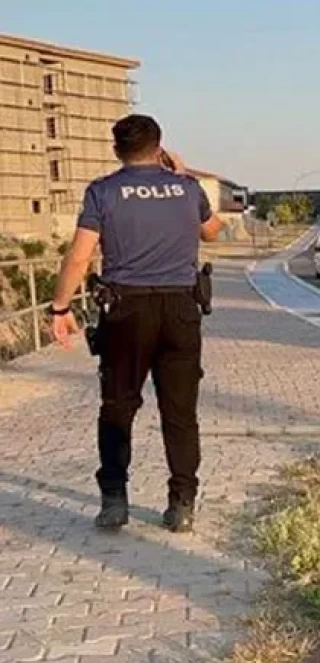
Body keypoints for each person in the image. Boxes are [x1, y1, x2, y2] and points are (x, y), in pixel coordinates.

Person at [49, 114, 223, 533]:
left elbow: (79, 257)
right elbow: (213, 231)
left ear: (117, 150)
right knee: (180, 412)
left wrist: (59, 309)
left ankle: (114, 503)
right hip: (181, 310)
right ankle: (182, 504)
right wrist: (181, 176)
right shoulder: (187, 188)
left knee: (118, 406)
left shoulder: (103, 192)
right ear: (160, 147)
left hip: (126, 312)